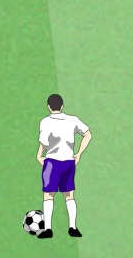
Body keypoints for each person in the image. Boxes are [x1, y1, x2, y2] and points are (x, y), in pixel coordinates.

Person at [35, 94, 91, 238]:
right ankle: (73, 227)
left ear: (48, 106)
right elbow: (88, 134)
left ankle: (48, 229)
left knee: (48, 195)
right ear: (62, 106)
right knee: (69, 195)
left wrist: (39, 155)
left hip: (52, 162)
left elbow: (44, 143)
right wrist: (79, 153)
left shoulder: (46, 122)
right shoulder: (72, 120)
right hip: (68, 162)